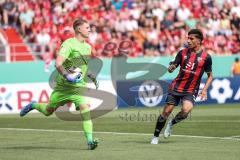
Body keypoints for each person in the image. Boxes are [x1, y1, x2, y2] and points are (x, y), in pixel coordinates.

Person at [20, 18, 99, 150]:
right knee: (47, 111)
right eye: (87, 27)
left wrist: (91, 75)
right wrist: (67, 75)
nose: (90, 29)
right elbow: (58, 63)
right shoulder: (69, 44)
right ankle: (33, 104)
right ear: (79, 29)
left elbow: (83, 67)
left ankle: (90, 141)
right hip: (63, 88)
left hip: (79, 88)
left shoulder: (88, 47)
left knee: (85, 109)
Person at [151, 29, 213, 144]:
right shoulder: (182, 53)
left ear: (199, 41)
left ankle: (171, 123)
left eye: (191, 38)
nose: (188, 40)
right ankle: (155, 136)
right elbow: (172, 67)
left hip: (191, 89)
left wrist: (204, 90)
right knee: (166, 112)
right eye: (188, 38)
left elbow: (210, 76)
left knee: (186, 110)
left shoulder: (206, 57)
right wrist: (170, 68)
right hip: (176, 86)